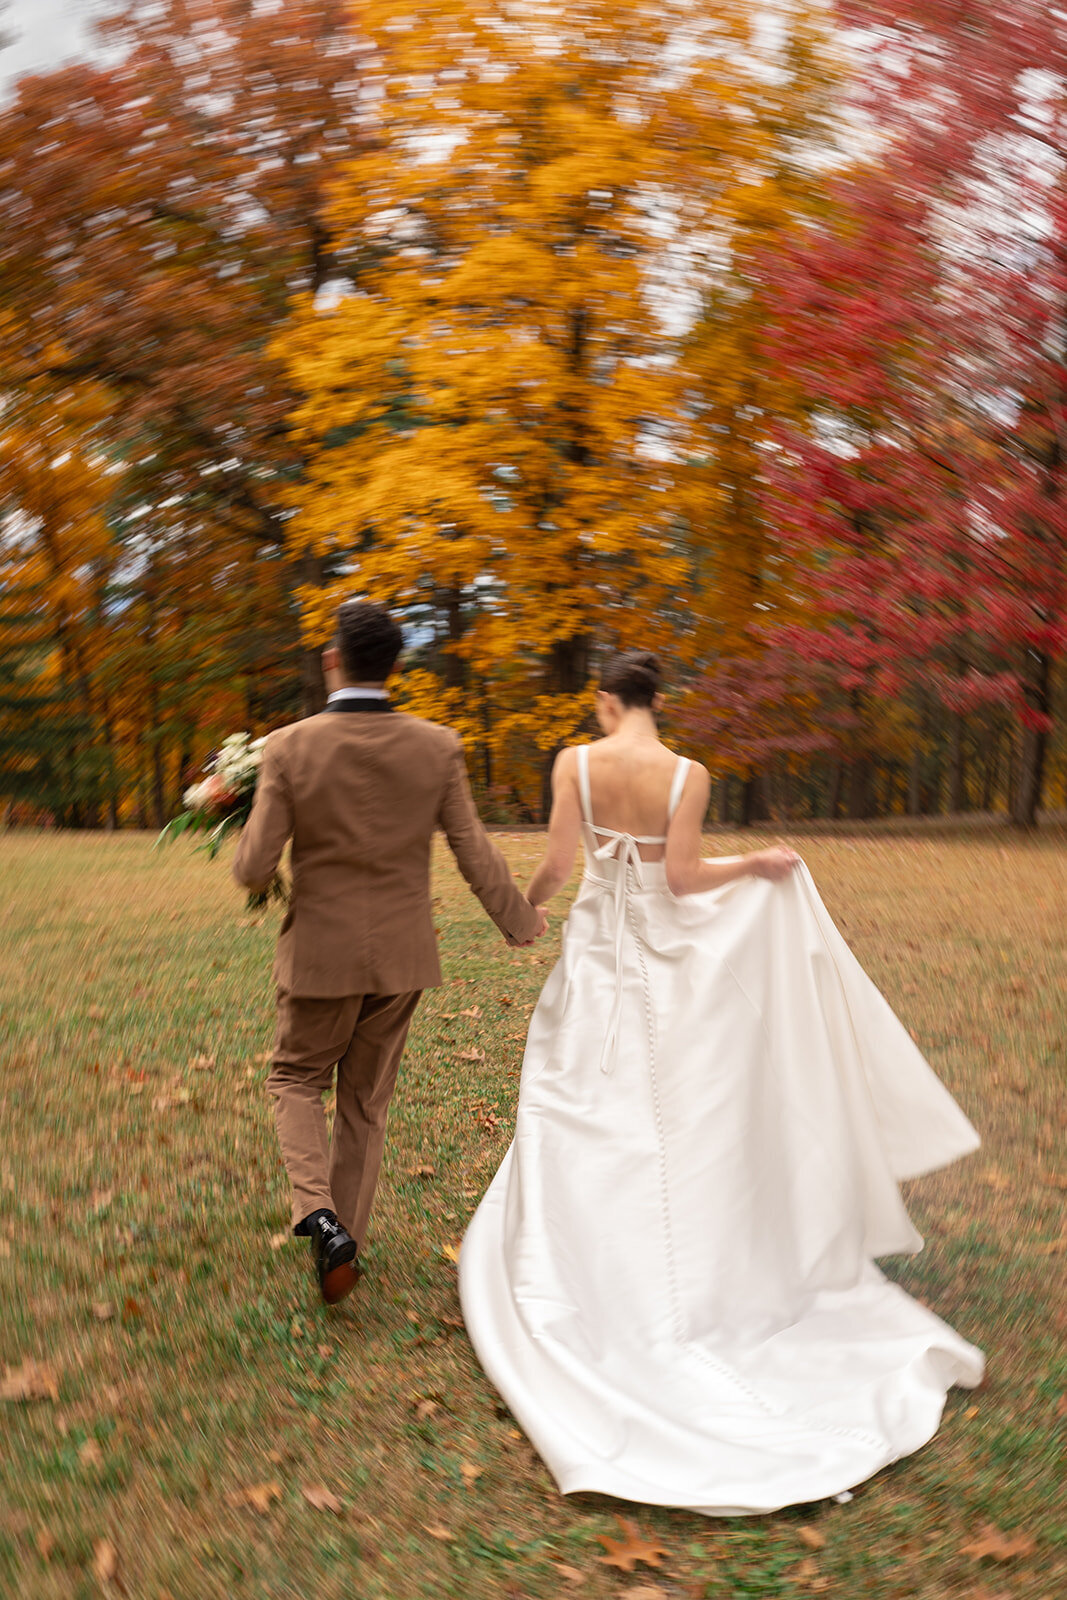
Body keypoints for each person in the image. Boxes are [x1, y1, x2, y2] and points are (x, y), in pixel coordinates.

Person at [459, 648, 984, 1515]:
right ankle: (691, 1285)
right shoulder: (685, 774)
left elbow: (559, 862)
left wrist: (529, 907)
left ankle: (578, 1270)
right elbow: (680, 879)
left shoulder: (574, 765)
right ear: (655, 701)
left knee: (578, 1104)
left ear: (603, 701)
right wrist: (755, 867)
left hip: (595, 962)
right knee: (671, 1120)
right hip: (661, 971)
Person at [234, 600, 544, 1305]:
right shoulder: (437, 746)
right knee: (364, 1105)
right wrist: (518, 919)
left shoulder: (288, 746)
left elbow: (253, 866)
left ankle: (317, 1213)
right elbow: (472, 849)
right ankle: (344, 1245)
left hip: (318, 955)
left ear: (331, 659)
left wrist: (253, 848)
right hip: (401, 957)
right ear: (396, 666)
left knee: (294, 1080)